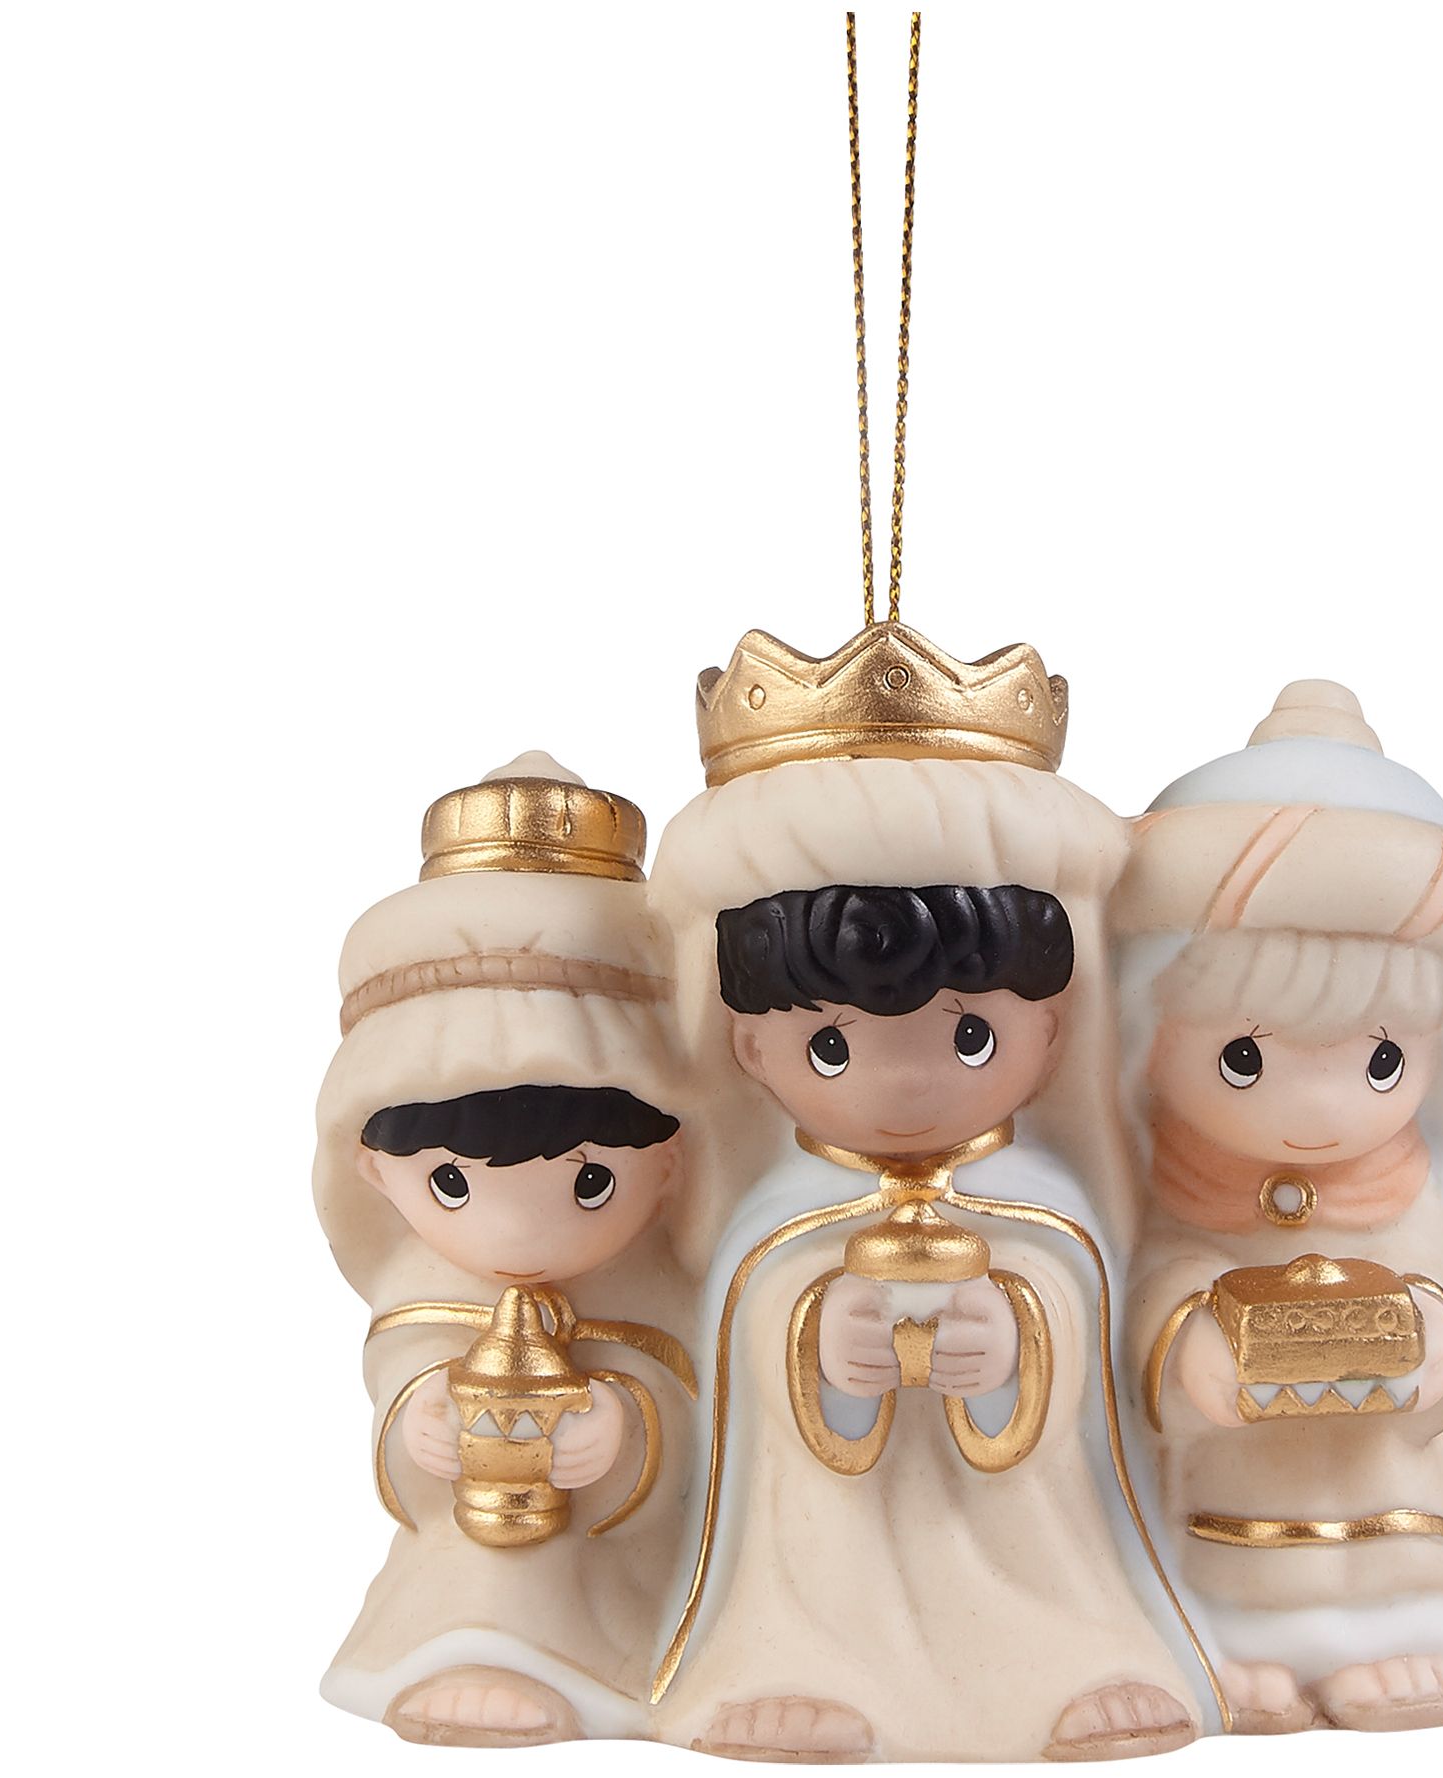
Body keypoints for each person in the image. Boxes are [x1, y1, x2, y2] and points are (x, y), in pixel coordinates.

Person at [646, 624, 1221, 1760]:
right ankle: (798, 1656)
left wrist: (1019, 1337)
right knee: (807, 1515)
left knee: (1041, 1521)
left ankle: (1063, 1650)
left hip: (1024, 1530)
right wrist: (815, 1341)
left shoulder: (1044, 1202)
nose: (903, 1084)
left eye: (968, 1037)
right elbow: (744, 1356)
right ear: (750, 1048)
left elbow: (1084, 1340)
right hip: (824, 1540)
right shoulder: (775, 1218)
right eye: (830, 1046)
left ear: (1050, 1031)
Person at [1114, 681, 1443, 1732]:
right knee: (1204, 1555)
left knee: (1391, 1544)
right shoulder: (1163, 1179)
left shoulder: (1403, 1184)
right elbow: (1149, 1282)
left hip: (1375, 1465)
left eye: (1379, 1062)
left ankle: (1393, 1628)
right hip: (1224, 1476)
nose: (1319, 1111)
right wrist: (1186, 1340)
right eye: (1243, 1059)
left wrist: (1432, 1334)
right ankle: (1233, 1642)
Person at [313, 753, 697, 1745]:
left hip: (625, 1554)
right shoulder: (423, 1279)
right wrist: (417, 1422)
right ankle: (470, 1647)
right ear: (373, 1169)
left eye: (589, 1182)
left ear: (671, 1162)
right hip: (472, 1541)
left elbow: (699, 1389)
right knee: (471, 1568)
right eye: (452, 1183)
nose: (518, 1234)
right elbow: (402, 1365)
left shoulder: (664, 1276)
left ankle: (598, 1659)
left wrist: (628, 1429)